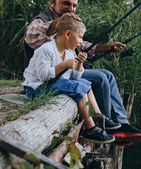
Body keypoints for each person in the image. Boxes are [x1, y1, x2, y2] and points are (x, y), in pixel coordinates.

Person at [24, 0, 141, 144]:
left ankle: (121, 123)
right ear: (54, 1)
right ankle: (106, 126)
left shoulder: (69, 27)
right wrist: (61, 22)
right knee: (101, 78)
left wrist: (108, 46)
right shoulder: (42, 20)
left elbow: (82, 46)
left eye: (74, 6)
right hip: (48, 78)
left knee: (107, 75)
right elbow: (31, 36)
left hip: (66, 73)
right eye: (66, 4)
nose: (71, 9)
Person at [22, 15, 115, 143]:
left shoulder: (69, 52)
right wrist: (64, 65)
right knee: (78, 87)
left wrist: (79, 64)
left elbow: (75, 77)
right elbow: (43, 76)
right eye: (80, 37)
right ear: (68, 34)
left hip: (53, 84)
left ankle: (99, 116)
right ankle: (90, 129)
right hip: (37, 89)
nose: (81, 42)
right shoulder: (46, 49)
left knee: (85, 83)